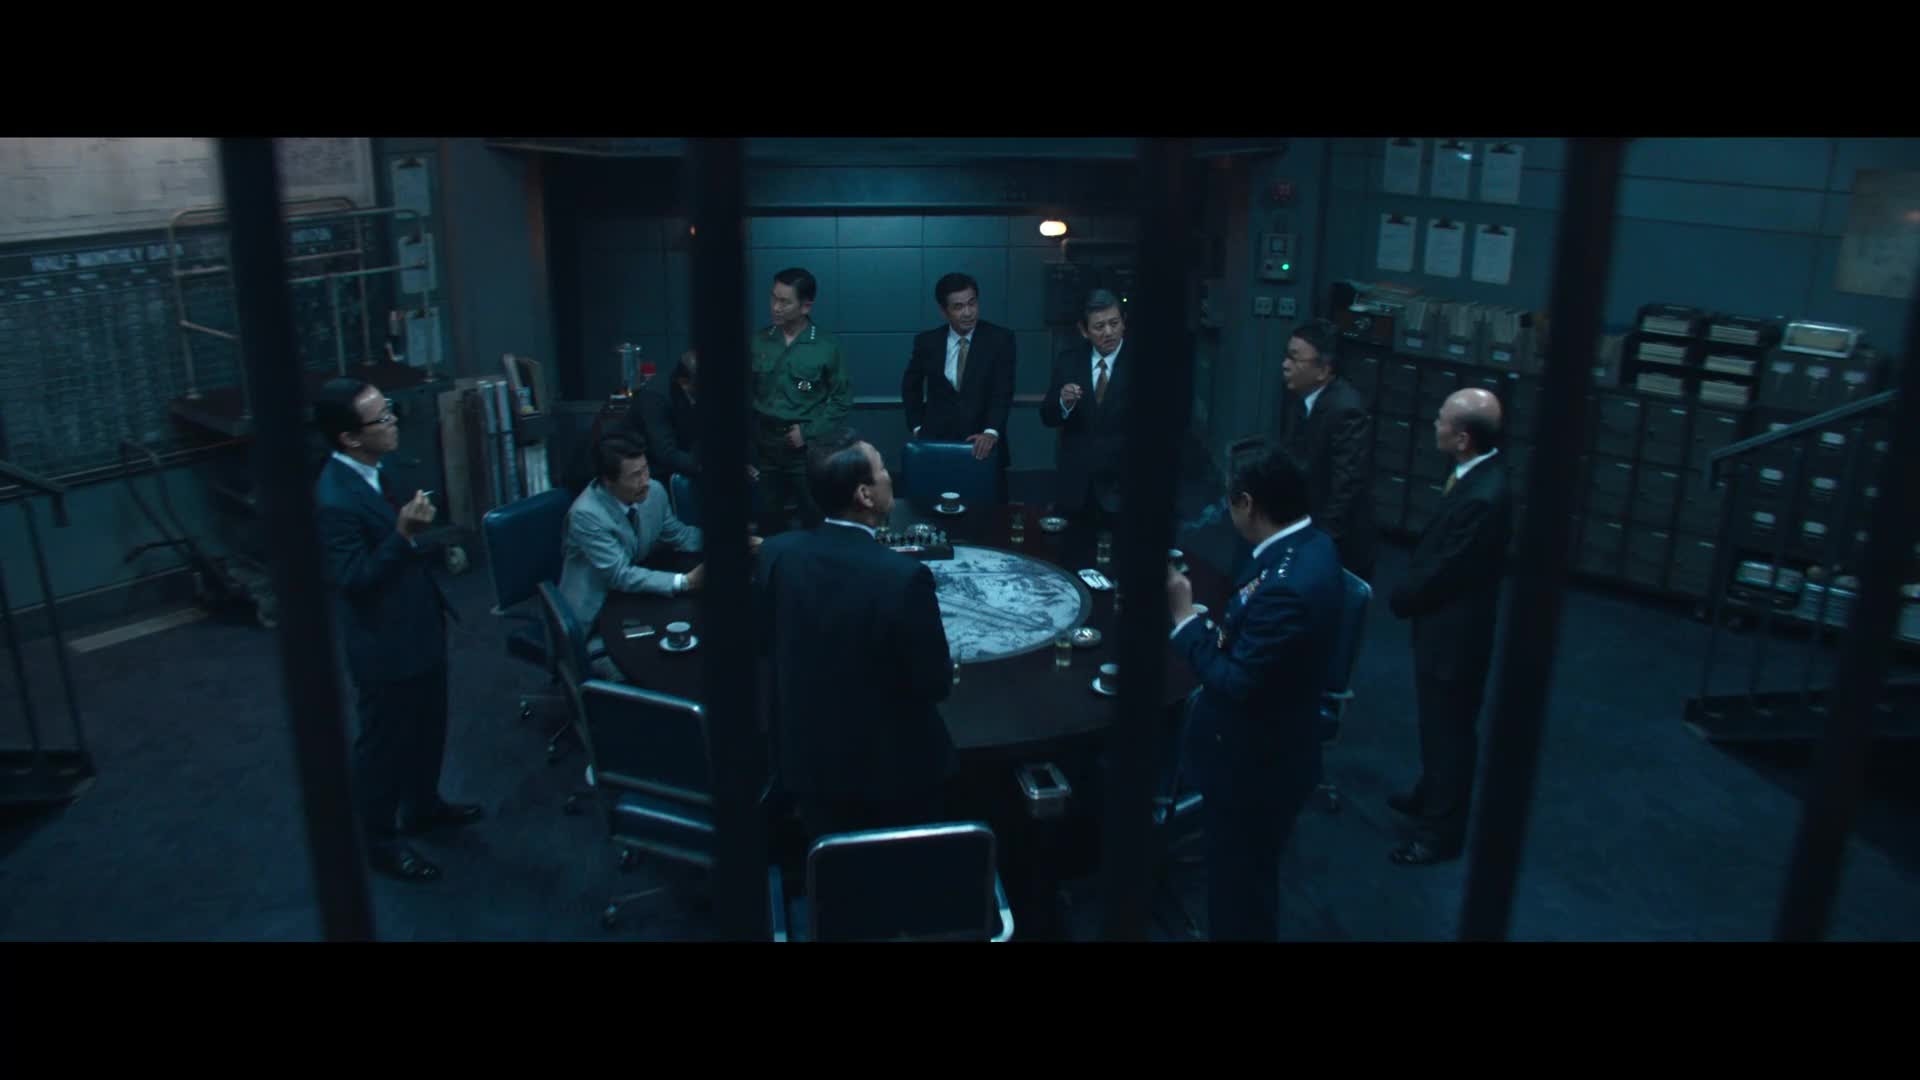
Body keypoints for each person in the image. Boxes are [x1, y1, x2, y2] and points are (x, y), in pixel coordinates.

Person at [1166, 441, 1344, 940]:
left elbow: (1235, 683)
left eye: (1229, 499)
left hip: (1254, 765)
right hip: (1280, 739)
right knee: (1248, 884)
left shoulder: (1286, 584)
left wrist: (1184, 617)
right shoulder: (1309, 545)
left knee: (1238, 893)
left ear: (1247, 503)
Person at [313, 377, 482, 884]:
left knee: (429, 727)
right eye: (382, 418)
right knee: (384, 747)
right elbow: (352, 578)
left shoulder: (378, 469)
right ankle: (382, 842)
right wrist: (403, 533)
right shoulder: (333, 498)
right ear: (349, 437)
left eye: (389, 410)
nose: (393, 423)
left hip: (418, 626)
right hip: (383, 645)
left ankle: (423, 808)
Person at [755, 430, 956, 840]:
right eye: (882, 469)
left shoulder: (777, 553)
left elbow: (765, 644)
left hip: (801, 764)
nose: (889, 476)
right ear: (865, 495)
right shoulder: (904, 578)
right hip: (887, 782)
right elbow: (934, 685)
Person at [1387, 388, 1513, 866]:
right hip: (1444, 628)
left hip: (1455, 636)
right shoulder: (1474, 476)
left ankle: (1439, 834)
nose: (1434, 425)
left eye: (1442, 420)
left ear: (1463, 439)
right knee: (1437, 723)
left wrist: (1403, 597)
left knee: (1450, 731)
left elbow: (1449, 566)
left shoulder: (1485, 495)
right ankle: (1431, 793)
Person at [557, 435, 705, 676]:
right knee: (645, 669)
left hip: (629, 602)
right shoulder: (586, 515)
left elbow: (678, 535)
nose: (645, 481)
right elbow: (620, 574)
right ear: (608, 481)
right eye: (635, 475)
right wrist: (685, 581)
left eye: (645, 469)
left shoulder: (653, 492)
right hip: (592, 622)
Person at [750, 268, 852, 535]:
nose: (775, 307)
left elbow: (841, 400)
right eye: (773, 298)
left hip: (806, 448)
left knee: (815, 519)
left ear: (806, 306)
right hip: (764, 447)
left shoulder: (826, 346)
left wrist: (808, 433)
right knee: (767, 521)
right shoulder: (759, 342)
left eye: (784, 302)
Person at [1278, 317, 1377, 581]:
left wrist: (1319, 545)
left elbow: (1346, 486)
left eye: (1294, 358)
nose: (1285, 365)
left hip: (1337, 543)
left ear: (1323, 370)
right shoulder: (1300, 398)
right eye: (1286, 356)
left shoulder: (1346, 410)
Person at [1040, 288, 1130, 564]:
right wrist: (1063, 402)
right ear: (1084, 330)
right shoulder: (1069, 360)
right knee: (1070, 561)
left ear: (1123, 322)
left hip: (1123, 487)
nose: (1108, 332)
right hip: (1075, 488)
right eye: (1099, 326)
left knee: (1118, 565)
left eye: (1114, 323)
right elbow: (1047, 416)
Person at [901, 272, 1016, 467]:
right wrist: (918, 426)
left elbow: (1003, 391)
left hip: (984, 446)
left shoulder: (1000, 339)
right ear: (944, 311)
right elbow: (910, 387)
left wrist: (991, 432)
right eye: (958, 307)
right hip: (936, 445)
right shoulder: (927, 342)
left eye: (972, 303)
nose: (968, 313)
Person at [625, 349, 702, 488]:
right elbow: (667, 454)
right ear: (684, 382)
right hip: (641, 473)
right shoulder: (654, 399)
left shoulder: (690, 391)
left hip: (668, 467)